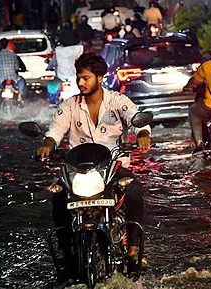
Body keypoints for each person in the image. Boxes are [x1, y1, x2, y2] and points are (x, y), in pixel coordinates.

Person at [35, 53, 151, 268]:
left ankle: (134, 249)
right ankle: (66, 249)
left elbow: (137, 119)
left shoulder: (118, 101)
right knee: (58, 196)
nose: (80, 83)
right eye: (79, 78)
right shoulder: (70, 105)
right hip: (78, 170)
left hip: (114, 168)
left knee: (134, 191)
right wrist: (47, 145)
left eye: (86, 78)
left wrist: (143, 134)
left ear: (99, 78)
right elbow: (55, 130)